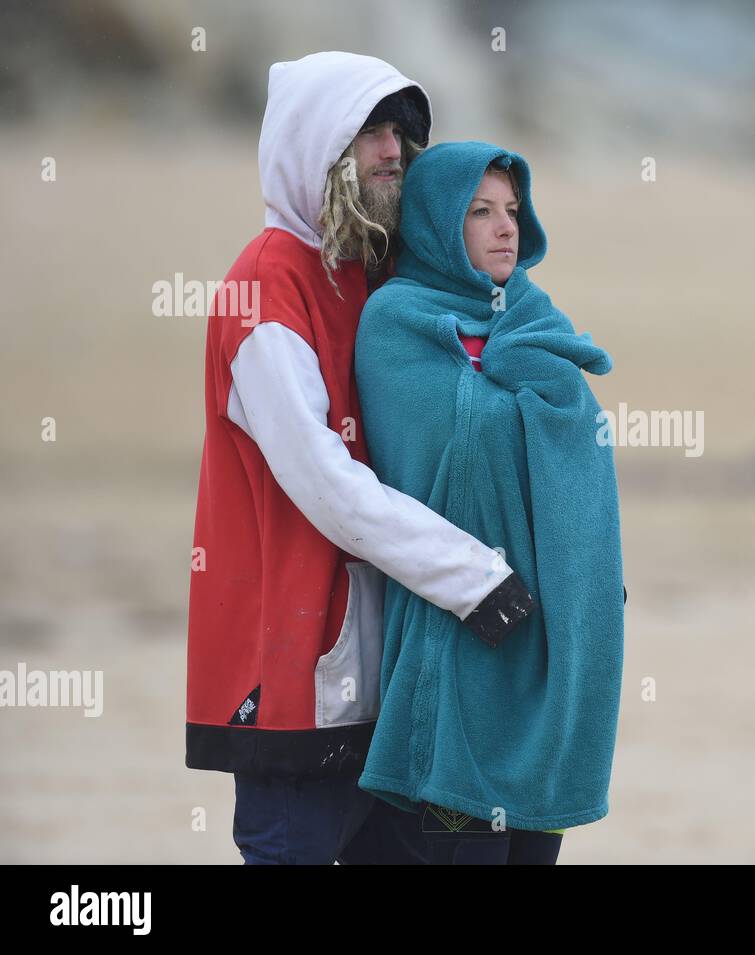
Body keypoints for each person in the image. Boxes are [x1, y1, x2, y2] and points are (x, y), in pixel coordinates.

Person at [185, 54, 533, 865]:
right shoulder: (265, 287)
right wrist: (474, 577)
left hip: (395, 680)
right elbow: (327, 485)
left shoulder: (371, 276)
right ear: (316, 142)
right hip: (295, 682)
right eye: (370, 129)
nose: (392, 149)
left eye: (400, 132)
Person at [353, 142, 626, 865]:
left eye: (512, 210)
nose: (506, 227)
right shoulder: (396, 323)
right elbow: (444, 444)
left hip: (548, 644)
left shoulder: (537, 322)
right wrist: (513, 385)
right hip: (459, 636)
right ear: (439, 225)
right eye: (480, 212)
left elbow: (583, 458)